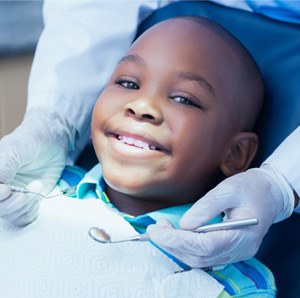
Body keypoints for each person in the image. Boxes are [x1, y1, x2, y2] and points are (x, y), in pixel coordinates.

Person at [0, 0, 299, 269]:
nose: (142, 106)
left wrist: (282, 184)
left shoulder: (236, 282)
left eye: (184, 99)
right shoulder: (29, 201)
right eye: (128, 83)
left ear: (236, 153)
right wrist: (54, 119)